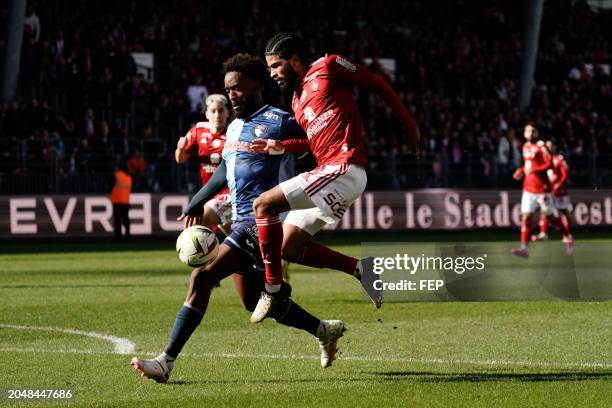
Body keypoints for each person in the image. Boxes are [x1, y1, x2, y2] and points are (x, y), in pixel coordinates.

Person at [130, 54, 345, 383]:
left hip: (260, 221)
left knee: (202, 278)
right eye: (228, 89)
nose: (231, 94)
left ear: (256, 85)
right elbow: (225, 172)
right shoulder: (233, 127)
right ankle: (322, 329)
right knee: (253, 302)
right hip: (241, 220)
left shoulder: (279, 118)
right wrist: (196, 201)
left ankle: (165, 361)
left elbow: (316, 145)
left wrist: (292, 152)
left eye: (238, 88)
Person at [249, 32, 420, 322]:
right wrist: (283, 146)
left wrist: (409, 126)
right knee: (287, 247)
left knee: (263, 205)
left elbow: (377, 83)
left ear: (294, 60)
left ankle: (273, 289)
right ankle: (360, 268)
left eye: (276, 66)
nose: (272, 74)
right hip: (329, 171)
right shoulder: (296, 100)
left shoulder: (328, 65)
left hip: (344, 168)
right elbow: (314, 144)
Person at [511, 124, 574, 257]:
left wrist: (534, 170)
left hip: (542, 189)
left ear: (537, 133)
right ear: (524, 133)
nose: (530, 133)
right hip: (528, 188)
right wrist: (521, 170)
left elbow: (549, 163)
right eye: (527, 130)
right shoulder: (525, 147)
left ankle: (567, 236)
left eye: (533, 131)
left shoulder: (541, 146)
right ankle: (524, 247)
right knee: (526, 217)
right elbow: (529, 164)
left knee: (551, 218)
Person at [175, 94, 233, 235]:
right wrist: (181, 148)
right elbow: (180, 159)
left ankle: (193, 256)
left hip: (230, 192)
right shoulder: (198, 131)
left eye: (221, 111)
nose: (217, 115)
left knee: (194, 224)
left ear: (228, 114)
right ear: (206, 114)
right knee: (239, 241)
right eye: (213, 111)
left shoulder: (234, 132)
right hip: (209, 193)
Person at [532, 141, 574, 250]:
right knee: (545, 211)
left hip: (560, 191)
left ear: (554, 147)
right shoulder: (542, 160)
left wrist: (559, 184)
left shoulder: (559, 159)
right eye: (547, 146)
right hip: (548, 190)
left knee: (565, 212)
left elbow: (565, 173)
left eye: (551, 146)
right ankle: (543, 233)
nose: (549, 148)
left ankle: (567, 234)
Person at [110, 162, 132, 240]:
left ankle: (118, 236)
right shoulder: (129, 177)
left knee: (117, 220)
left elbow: (110, 186)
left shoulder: (116, 175)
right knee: (125, 219)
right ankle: (127, 235)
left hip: (117, 201)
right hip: (126, 201)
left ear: (118, 168)